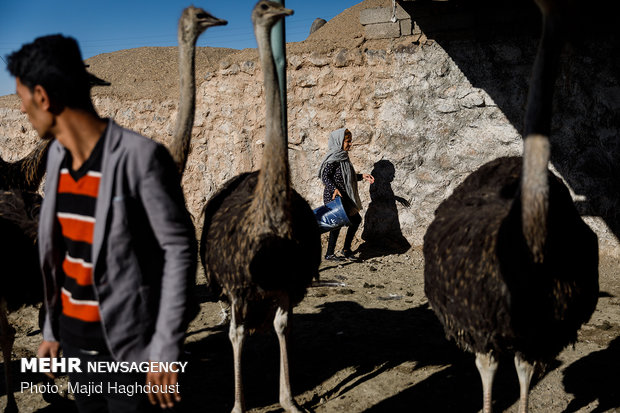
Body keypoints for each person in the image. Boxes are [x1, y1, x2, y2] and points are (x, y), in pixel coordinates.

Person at [8, 34, 197, 412]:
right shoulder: (58, 158)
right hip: (76, 345)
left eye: (23, 101)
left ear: (44, 97)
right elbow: (60, 254)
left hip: (128, 348)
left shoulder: (140, 158)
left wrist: (165, 346)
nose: (24, 112)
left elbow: (178, 251)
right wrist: (50, 332)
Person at [318, 128, 374, 261]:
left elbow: (345, 176)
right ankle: (330, 254)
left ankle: (346, 250)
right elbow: (325, 176)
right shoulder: (334, 158)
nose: (350, 144)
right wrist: (334, 189)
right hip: (334, 196)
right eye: (347, 141)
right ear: (339, 142)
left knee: (355, 220)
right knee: (336, 225)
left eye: (350, 141)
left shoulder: (343, 157)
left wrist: (361, 176)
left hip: (344, 196)